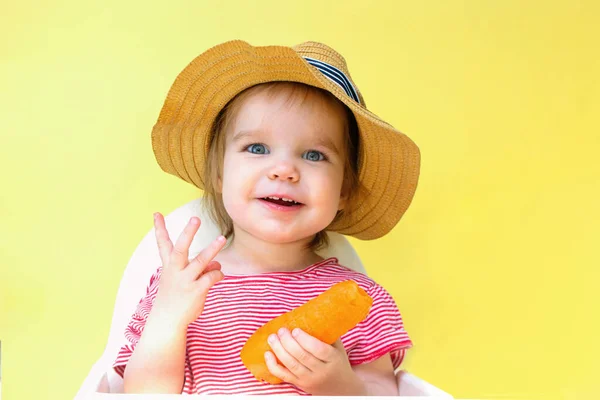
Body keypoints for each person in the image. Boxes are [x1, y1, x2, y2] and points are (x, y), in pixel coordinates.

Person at [112, 40, 421, 395]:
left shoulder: (361, 301)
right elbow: (141, 394)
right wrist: (167, 318)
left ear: (344, 192)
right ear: (220, 176)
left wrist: (338, 385)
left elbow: (384, 392)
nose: (284, 170)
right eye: (257, 148)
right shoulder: (180, 285)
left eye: (314, 155)